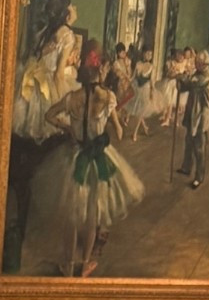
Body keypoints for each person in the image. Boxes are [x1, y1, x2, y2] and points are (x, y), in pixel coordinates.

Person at [47, 38, 145, 276]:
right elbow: (119, 134)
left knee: (72, 214)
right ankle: (85, 263)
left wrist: (68, 128)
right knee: (93, 214)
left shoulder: (72, 98)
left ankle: (69, 267)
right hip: (99, 157)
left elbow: (49, 115)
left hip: (76, 155)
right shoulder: (108, 97)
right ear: (100, 69)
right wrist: (115, 124)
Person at [13, 0, 79, 141]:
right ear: (67, 15)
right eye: (72, 6)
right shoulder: (68, 35)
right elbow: (58, 74)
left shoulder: (49, 30)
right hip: (47, 82)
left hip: (37, 76)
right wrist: (64, 101)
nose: (75, 8)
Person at [179, 52, 209, 187]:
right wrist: (181, 83)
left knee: (199, 146)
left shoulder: (207, 75)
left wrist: (183, 79)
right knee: (188, 141)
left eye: (198, 63)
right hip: (192, 112)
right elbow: (187, 85)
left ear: (204, 64)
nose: (196, 64)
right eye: (196, 62)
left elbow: (193, 84)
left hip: (201, 113)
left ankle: (199, 177)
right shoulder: (197, 73)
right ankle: (186, 167)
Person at [126, 47, 155, 140]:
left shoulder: (152, 67)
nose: (149, 56)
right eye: (147, 54)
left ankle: (135, 133)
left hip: (145, 89)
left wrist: (152, 92)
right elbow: (133, 77)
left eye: (150, 54)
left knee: (141, 111)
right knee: (138, 110)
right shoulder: (138, 64)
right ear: (143, 54)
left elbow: (152, 81)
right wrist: (127, 81)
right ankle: (145, 127)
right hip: (137, 88)